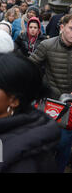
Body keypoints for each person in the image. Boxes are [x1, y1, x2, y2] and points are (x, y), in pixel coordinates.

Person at [29, 13, 72, 172]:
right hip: (50, 106)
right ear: (62, 28)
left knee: (64, 148)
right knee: (45, 149)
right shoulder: (47, 45)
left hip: (71, 110)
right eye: (71, 29)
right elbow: (29, 67)